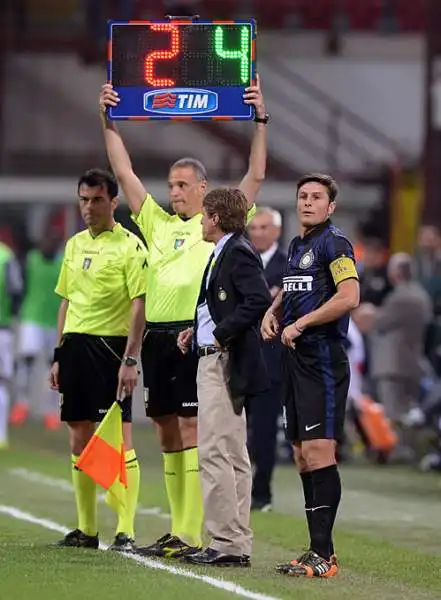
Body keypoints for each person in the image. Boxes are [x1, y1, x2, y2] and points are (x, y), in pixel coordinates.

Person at [99, 76, 267, 558]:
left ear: (202, 188)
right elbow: (124, 169)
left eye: (180, 184)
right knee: (167, 432)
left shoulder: (217, 223)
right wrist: (107, 119)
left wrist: (259, 121)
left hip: (197, 340)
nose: (172, 192)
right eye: (169, 184)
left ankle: (195, 532)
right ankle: (179, 529)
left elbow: (255, 173)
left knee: (197, 433)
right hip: (159, 337)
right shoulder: (154, 222)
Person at [261, 173, 360, 578]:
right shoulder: (298, 244)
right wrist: (275, 309)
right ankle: (316, 550)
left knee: (319, 452)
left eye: (317, 197)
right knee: (302, 456)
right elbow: (293, 287)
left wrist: (301, 324)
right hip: (296, 359)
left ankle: (325, 554)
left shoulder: (334, 243)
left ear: (330, 206)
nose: (307, 202)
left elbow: (349, 296)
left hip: (322, 357)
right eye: (302, 196)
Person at [49, 169, 147, 552]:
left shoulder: (131, 247)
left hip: (111, 350)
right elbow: (66, 302)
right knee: (78, 435)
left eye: (97, 200)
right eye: (84, 200)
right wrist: (58, 354)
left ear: (113, 202)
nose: (89, 208)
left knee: (119, 438)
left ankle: (126, 528)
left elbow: (139, 305)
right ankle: (86, 529)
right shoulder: (73, 245)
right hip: (74, 349)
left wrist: (131, 358)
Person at [177, 188, 271, 566]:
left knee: (216, 451)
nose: (201, 220)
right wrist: (194, 329)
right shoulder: (228, 251)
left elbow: (257, 299)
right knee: (232, 453)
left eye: (204, 215)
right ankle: (235, 540)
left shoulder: (237, 252)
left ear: (216, 217)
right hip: (217, 357)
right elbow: (216, 304)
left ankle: (225, 541)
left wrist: (218, 334)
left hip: (221, 362)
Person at [369, 253, 432, 459]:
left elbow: (380, 322)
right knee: (409, 411)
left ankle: (397, 452)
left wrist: (371, 313)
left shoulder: (399, 297)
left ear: (396, 273)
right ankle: (411, 450)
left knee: (392, 411)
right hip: (414, 360)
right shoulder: (422, 296)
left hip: (392, 363)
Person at [247, 207, 287, 511]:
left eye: (264, 227)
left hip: (272, 360)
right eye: (254, 227)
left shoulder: (288, 265)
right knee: (235, 431)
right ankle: (238, 490)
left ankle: (262, 492)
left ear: (276, 231)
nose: (257, 233)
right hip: (241, 356)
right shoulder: (241, 259)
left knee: (263, 431)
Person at [12, 234, 63, 429]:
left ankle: (50, 411)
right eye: (45, 241)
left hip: (54, 322)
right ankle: (22, 404)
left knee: (53, 368)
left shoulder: (62, 262)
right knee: (27, 363)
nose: (48, 245)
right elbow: (20, 285)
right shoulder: (31, 260)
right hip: (31, 318)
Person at [0, 241, 23, 448]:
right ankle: (1, 435)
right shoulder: (6, 257)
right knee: (2, 382)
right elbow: (16, 290)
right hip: (3, 328)